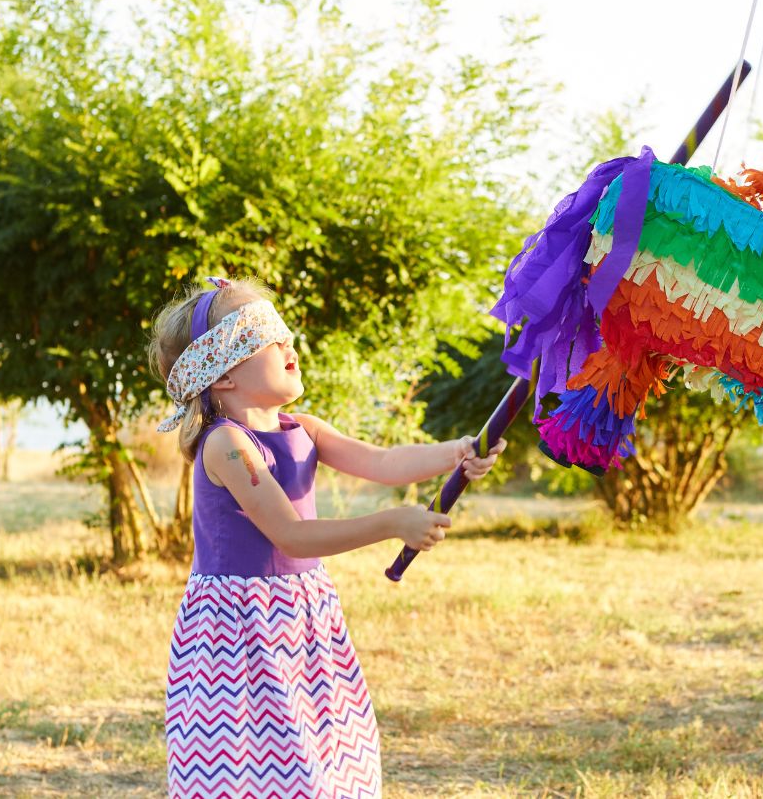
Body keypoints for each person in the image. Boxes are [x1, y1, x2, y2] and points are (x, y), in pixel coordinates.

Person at [147, 276, 505, 798]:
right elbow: (291, 535)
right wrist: (389, 524)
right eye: (266, 339)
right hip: (240, 634)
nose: (289, 345)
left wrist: (458, 451)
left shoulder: (303, 428)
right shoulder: (226, 444)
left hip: (301, 616)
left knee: (323, 758)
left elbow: (384, 462)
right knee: (256, 770)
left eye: (284, 332)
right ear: (222, 374)